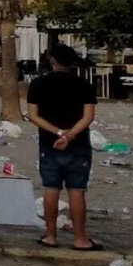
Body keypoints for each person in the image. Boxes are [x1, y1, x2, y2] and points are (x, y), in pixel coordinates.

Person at [26, 43, 100, 250]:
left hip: (49, 143)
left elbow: (33, 116)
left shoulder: (38, 84)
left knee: (51, 189)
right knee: (77, 191)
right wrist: (70, 135)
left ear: (52, 60)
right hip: (78, 144)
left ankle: (50, 236)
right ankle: (80, 239)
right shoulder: (83, 84)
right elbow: (88, 117)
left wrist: (58, 133)